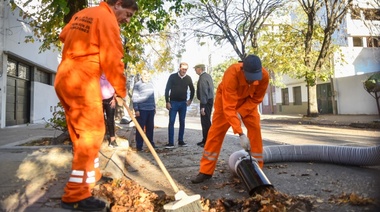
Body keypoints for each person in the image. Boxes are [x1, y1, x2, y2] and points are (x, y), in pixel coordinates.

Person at [54, 0, 138, 211]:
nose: (127, 20)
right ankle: (75, 194)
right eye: (127, 14)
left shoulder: (83, 13)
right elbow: (113, 59)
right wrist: (120, 91)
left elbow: (64, 36)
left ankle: (92, 176)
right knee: (92, 133)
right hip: (83, 79)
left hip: (65, 76)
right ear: (117, 4)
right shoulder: (108, 19)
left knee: (80, 134)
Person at [191, 55, 269, 184]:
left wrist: (241, 112)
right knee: (215, 133)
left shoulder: (264, 76)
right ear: (243, 70)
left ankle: (257, 168)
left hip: (248, 103)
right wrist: (240, 133)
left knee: (255, 129)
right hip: (226, 101)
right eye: (249, 78)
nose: (251, 81)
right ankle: (205, 171)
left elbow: (257, 98)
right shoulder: (231, 73)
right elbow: (229, 107)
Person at [164, 62, 195, 148]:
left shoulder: (188, 78)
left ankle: (181, 141)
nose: (184, 71)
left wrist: (190, 100)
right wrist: (167, 101)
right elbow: (167, 89)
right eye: (183, 69)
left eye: (186, 69)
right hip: (173, 103)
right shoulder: (172, 77)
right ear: (179, 68)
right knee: (171, 122)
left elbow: (192, 89)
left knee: (182, 121)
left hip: (183, 103)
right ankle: (171, 143)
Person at [132, 70, 156, 151]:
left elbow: (152, 96)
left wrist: (154, 107)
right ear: (142, 75)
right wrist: (136, 109)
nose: (146, 77)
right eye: (145, 75)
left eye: (148, 75)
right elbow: (134, 97)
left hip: (151, 109)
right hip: (142, 110)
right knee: (140, 129)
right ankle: (139, 146)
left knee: (150, 128)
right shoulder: (137, 85)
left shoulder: (151, 84)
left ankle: (150, 145)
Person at [194, 64, 214, 148]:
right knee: (207, 121)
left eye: (196, 69)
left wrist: (203, 106)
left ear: (200, 69)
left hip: (205, 102)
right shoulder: (208, 76)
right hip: (209, 100)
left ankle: (207, 141)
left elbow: (203, 92)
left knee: (205, 122)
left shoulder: (202, 78)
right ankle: (205, 139)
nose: (195, 71)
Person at [100, 74, 118, 148]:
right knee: (99, 120)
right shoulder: (96, 75)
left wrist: (114, 99)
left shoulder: (111, 75)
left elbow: (117, 87)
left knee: (110, 120)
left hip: (110, 100)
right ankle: (99, 139)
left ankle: (112, 140)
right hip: (99, 100)